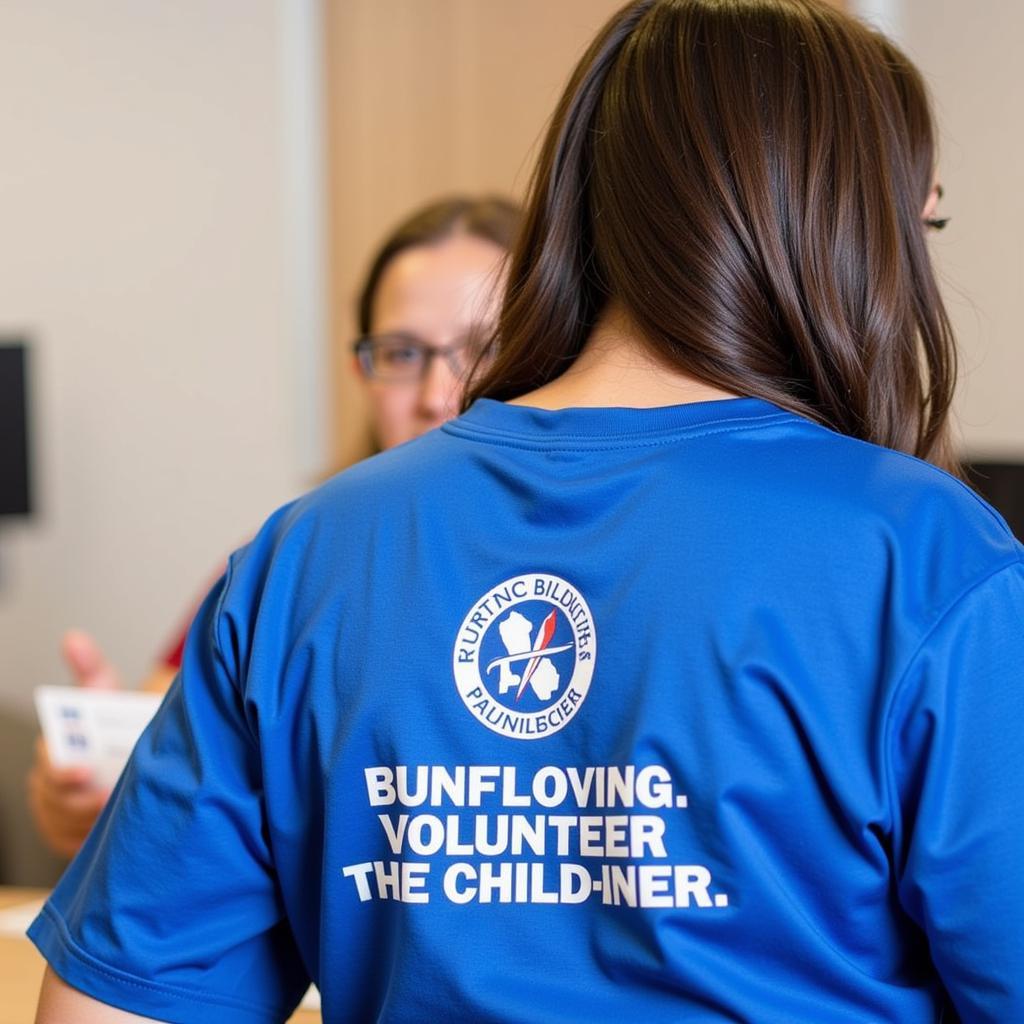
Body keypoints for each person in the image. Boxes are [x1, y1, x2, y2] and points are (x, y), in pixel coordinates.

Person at [31, 1, 1024, 1021]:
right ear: (848, 228)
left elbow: (105, 1006)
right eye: (923, 222)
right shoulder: (930, 563)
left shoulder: (307, 555)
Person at [26, 195, 520, 858]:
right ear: (362, 373)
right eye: (403, 354)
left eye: (483, 348)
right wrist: (99, 777)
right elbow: (136, 800)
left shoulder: (626, 563)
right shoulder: (282, 565)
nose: (438, 394)